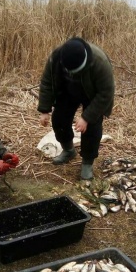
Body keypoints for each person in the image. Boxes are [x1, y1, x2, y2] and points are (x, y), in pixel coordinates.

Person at [38, 37, 115, 179]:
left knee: (92, 127)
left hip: (92, 94)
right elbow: (47, 81)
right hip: (68, 90)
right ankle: (68, 150)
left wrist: (86, 117)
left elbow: (106, 93)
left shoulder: (99, 62)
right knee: (59, 120)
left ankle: (87, 163)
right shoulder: (57, 56)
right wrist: (44, 109)